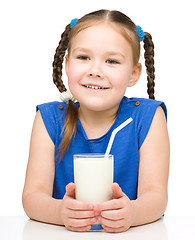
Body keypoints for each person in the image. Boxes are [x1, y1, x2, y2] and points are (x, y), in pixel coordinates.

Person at [22, 9, 170, 233]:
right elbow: (32, 197)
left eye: (111, 61)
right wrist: (59, 212)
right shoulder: (49, 119)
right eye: (83, 57)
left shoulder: (147, 118)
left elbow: (156, 196)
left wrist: (133, 212)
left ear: (133, 74)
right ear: (67, 64)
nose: (95, 70)